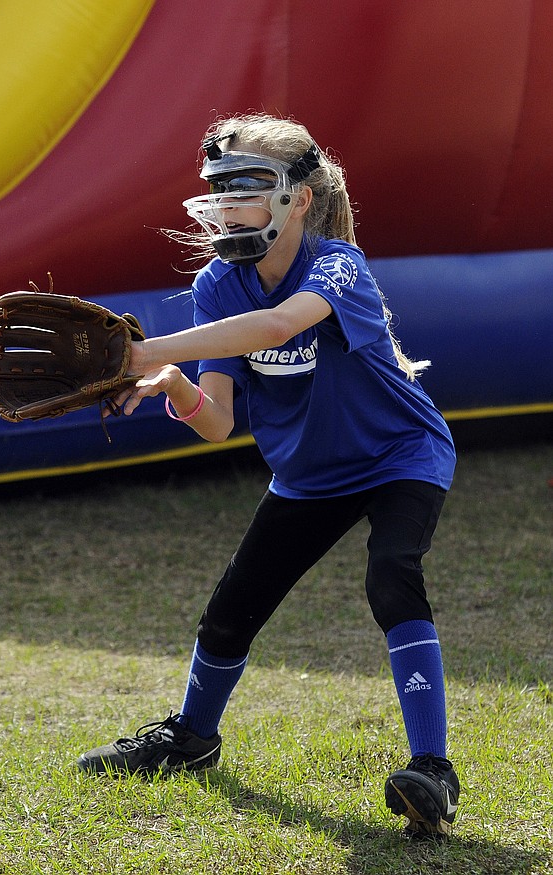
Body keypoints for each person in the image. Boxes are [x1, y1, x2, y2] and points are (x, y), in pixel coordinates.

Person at [76, 114, 460, 839]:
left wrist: (145, 350)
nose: (227, 207)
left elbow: (280, 326)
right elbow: (218, 421)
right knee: (231, 610)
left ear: (298, 199)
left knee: (392, 575)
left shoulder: (338, 264)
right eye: (219, 191)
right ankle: (191, 738)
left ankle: (433, 772)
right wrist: (172, 383)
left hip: (398, 454)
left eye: (245, 189)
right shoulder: (218, 285)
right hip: (310, 473)